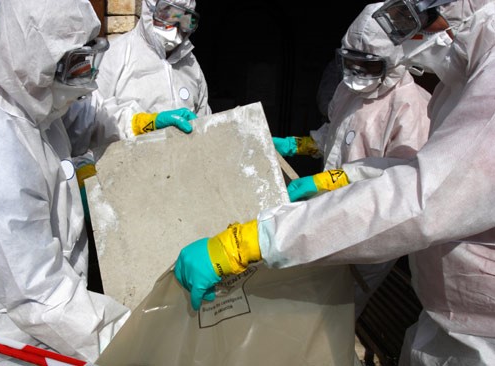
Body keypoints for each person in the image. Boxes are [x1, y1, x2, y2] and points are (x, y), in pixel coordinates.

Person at [173, 0, 495, 364]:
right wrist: (309, 152)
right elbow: (385, 160)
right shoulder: (460, 80)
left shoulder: (419, 101)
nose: (420, 34)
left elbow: (419, 198)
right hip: (445, 318)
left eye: (421, 19)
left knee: (331, 311)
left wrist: (254, 240)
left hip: (478, 332)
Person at [0, 0, 178, 364]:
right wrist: (139, 343)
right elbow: (42, 294)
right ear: (33, 62)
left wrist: (138, 123)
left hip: (38, 321)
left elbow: (79, 116)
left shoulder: (24, 93)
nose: (86, 81)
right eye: (74, 66)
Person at [274, 2, 432, 318]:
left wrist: (332, 179)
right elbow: (336, 135)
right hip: (327, 208)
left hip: (369, 226)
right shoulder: (349, 91)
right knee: (308, 292)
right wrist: (299, 145)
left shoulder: (411, 106)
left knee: (338, 308)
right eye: (350, 63)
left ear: (394, 62)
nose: (357, 74)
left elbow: (403, 179)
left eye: (369, 66)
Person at [94, 0, 211, 137]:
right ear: (149, 10)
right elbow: (93, 119)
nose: (175, 24)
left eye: (185, 17)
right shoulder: (114, 55)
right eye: (167, 13)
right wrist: (146, 124)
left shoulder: (191, 66)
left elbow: (205, 124)